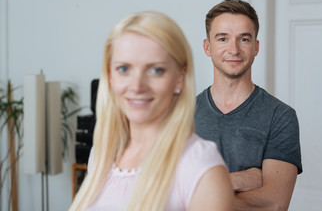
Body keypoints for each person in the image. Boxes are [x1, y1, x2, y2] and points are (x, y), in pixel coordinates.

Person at [69, 11, 234, 211]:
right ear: (110, 76)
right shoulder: (102, 154)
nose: (137, 86)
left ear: (180, 78)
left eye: (156, 70)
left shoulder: (200, 167)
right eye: (124, 69)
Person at [195, 0, 302, 210]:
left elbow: (274, 204)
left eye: (243, 39)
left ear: (256, 47)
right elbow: (165, 189)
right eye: (222, 38)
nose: (233, 49)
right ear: (208, 47)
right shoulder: (182, 114)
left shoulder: (280, 116)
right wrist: (236, 180)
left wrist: (198, 193)